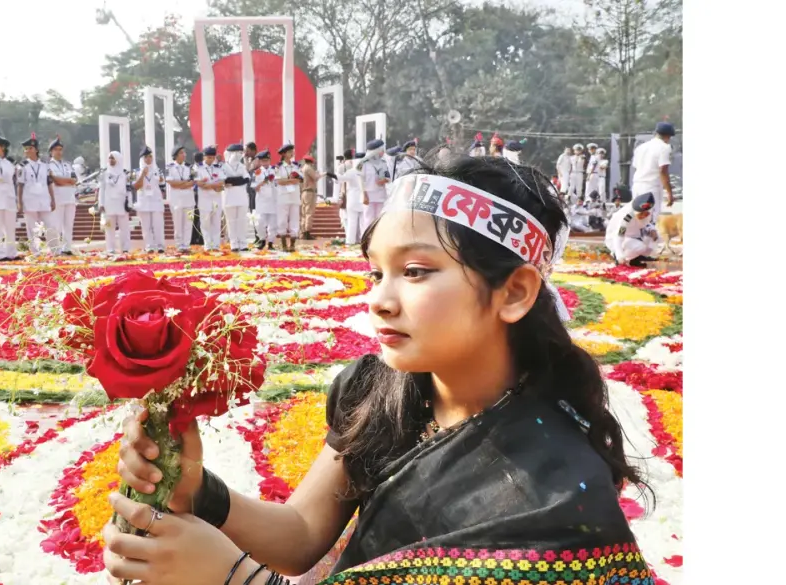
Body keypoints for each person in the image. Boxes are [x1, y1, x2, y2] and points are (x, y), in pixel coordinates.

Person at [105, 155, 650, 585]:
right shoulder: (382, 390)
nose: (379, 300)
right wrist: (195, 489)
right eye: (375, 272)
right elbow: (299, 536)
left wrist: (233, 578)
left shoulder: (556, 498)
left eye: (414, 271)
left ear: (514, 291)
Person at [16, 135, 57, 255]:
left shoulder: (45, 164)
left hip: (44, 199)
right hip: (29, 199)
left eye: (30, 148)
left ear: (36, 149)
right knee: (32, 228)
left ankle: (55, 250)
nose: (27, 151)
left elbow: (49, 183)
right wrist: (19, 202)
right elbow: (20, 185)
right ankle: (36, 252)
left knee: (50, 225)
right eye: (25, 149)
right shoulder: (22, 166)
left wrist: (53, 199)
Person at [630, 122, 676, 220]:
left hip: (637, 185)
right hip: (651, 187)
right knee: (650, 219)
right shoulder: (664, 147)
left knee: (639, 217)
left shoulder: (641, 147)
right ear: (667, 136)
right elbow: (663, 170)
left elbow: (636, 166)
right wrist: (669, 193)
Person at [605, 192, 659, 267]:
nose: (643, 216)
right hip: (620, 238)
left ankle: (635, 258)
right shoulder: (627, 218)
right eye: (641, 214)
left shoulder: (647, 213)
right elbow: (618, 236)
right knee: (640, 247)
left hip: (634, 236)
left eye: (646, 214)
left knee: (654, 236)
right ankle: (621, 258)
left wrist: (652, 230)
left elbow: (646, 223)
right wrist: (619, 255)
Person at [47, 137, 79, 255]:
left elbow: (75, 179)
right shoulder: (49, 165)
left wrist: (65, 181)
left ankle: (67, 248)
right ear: (51, 151)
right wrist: (67, 181)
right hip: (57, 198)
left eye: (60, 149)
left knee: (68, 225)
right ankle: (56, 249)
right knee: (57, 225)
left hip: (70, 198)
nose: (59, 152)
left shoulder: (67, 165)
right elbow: (56, 181)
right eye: (56, 149)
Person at [219, 144, 252, 252]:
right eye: (236, 153)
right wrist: (237, 180)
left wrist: (234, 181)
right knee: (231, 221)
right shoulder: (223, 167)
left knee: (242, 221)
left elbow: (247, 179)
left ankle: (242, 243)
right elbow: (225, 180)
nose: (238, 155)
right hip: (229, 198)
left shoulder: (241, 166)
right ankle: (234, 243)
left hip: (241, 197)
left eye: (240, 153)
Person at [134, 146, 167, 253]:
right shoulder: (136, 171)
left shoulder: (158, 170)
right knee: (146, 226)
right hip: (144, 201)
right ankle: (149, 246)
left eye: (150, 157)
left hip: (156, 200)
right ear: (142, 159)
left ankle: (160, 245)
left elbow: (162, 184)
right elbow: (136, 186)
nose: (148, 159)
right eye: (146, 157)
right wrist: (143, 174)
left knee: (158, 225)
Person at [100, 151, 132, 255]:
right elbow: (102, 189)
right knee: (109, 228)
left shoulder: (124, 174)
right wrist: (101, 204)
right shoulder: (104, 173)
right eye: (109, 158)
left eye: (113, 158)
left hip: (122, 204)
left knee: (125, 228)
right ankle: (110, 249)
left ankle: (126, 248)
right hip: (109, 204)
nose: (111, 160)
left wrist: (130, 203)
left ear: (118, 159)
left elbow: (129, 190)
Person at [165, 145, 197, 253]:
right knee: (178, 224)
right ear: (176, 155)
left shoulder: (190, 167)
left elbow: (193, 182)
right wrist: (184, 183)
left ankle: (186, 245)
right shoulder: (169, 167)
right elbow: (172, 183)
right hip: (176, 200)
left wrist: (181, 184)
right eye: (181, 153)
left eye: (184, 153)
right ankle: (179, 245)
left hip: (189, 199)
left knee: (188, 223)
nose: (184, 155)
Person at [195, 146, 225, 252]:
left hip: (216, 198)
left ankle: (216, 244)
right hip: (204, 198)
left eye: (212, 157)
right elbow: (199, 183)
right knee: (205, 221)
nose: (211, 159)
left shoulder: (218, 167)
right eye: (208, 157)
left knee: (216, 221)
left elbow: (222, 181)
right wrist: (214, 185)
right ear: (204, 157)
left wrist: (210, 185)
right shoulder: (198, 167)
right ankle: (208, 244)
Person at [274, 143, 302, 252]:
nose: (292, 153)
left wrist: (287, 180)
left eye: (293, 151)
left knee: (294, 220)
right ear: (284, 154)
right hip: (283, 197)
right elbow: (279, 181)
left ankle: (292, 245)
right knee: (282, 220)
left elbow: (299, 179)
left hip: (294, 196)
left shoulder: (296, 166)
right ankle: (284, 244)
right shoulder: (278, 167)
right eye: (290, 152)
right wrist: (290, 180)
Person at [359, 139, 390, 228]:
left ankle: (378, 238)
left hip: (381, 195)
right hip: (368, 195)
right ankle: (368, 239)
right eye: (381, 150)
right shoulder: (363, 163)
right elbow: (360, 180)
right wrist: (364, 195)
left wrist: (384, 180)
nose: (383, 152)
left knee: (380, 218)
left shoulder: (383, 162)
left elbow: (388, 177)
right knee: (368, 218)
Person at [251, 150, 277, 251]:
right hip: (261, 200)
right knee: (260, 222)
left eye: (267, 160)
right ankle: (262, 240)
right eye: (263, 161)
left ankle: (271, 242)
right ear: (260, 162)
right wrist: (263, 181)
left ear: (270, 160)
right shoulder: (257, 172)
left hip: (273, 200)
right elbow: (254, 187)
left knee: (273, 223)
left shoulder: (275, 170)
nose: (265, 163)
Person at [300, 155, 329, 241]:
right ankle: (307, 232)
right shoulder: (308, 168)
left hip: (304, 192)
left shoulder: (303, 168)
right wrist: (323, 174)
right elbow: (315, 178)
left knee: (304, 213)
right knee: (309, 212)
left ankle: (303, 233)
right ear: (311, 162)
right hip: (309, 192)